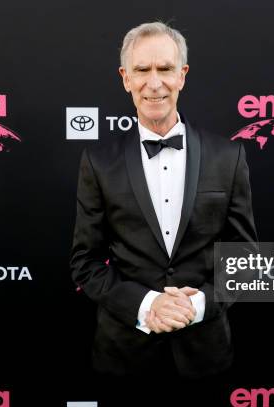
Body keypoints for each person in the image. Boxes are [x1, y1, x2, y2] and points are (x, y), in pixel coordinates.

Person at [70, 21, 257, 378]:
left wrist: (196, 305)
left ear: (182, 75)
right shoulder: (98, 162)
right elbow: (85, 263)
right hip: (124, 355)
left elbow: (244, 257)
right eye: (142, 70)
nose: (154, 83)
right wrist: (148, 305)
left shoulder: (228, 157)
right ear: (126, 78)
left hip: (205, 354)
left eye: (165, 69)